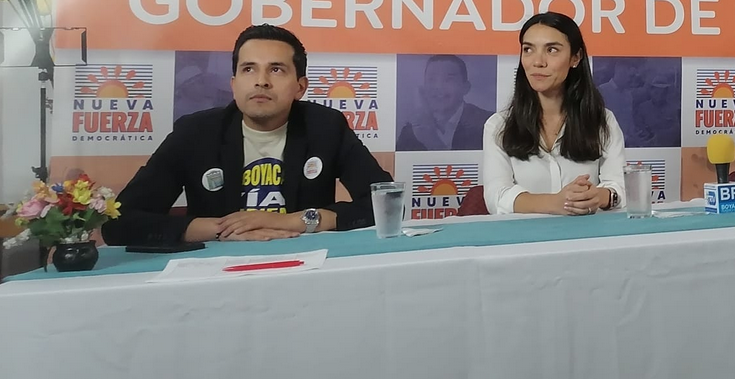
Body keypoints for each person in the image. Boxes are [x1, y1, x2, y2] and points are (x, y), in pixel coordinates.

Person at [102, 25, 391, 245]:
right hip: (215, 270)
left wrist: (297, 221)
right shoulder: (195, 133)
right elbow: (119, 222)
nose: (261, 81)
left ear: (300, 87)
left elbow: (387, 203)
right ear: (234, 83)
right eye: (249, 69)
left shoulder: (325, 126)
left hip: (303, 263)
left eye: (276, 69)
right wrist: (221, 229)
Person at [481, 12, 626, 215]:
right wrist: (556, 203)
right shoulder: (499, 126)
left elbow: (620, 188)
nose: (538, 62)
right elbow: (496, 197)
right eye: (528, 49)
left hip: (589, 232)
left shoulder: (603, 121)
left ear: (575, 57)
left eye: (551, 50)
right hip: (523, 234)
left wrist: (600, 196)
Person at [397, 54, 492, 151]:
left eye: (448, 80)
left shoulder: (488, 123)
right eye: (431, 79)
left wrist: (432, 141)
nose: (439, 87)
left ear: (465, 87)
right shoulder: (411, 130)